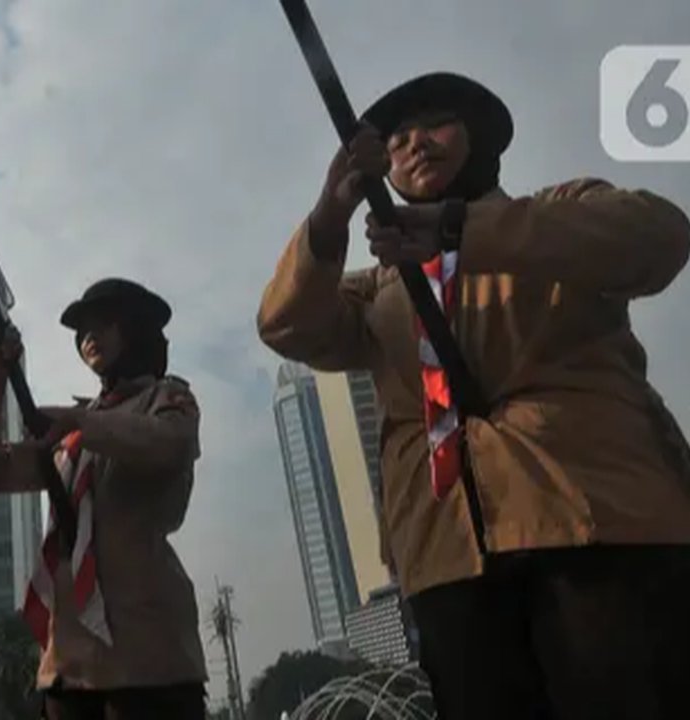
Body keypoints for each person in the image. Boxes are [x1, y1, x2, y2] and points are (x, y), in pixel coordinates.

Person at [256, 70, 690, 719]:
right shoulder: (379, 289)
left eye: (436, 123)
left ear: (479, 136)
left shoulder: (555, 213)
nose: (414, 144)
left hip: (595, 528)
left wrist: (461, 229)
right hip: (448, 555)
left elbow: (657, 237)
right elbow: (287, 323)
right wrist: (329, 214)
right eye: (396, 139)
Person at [0, 278, 207, 719]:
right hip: (70, 651)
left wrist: (79, 422)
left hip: (145, 646)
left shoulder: (166, 397)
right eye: (82, 330)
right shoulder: (77, 429)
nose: (88, 336)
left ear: (135, 328)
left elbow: (168, 444)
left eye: (104, 323)